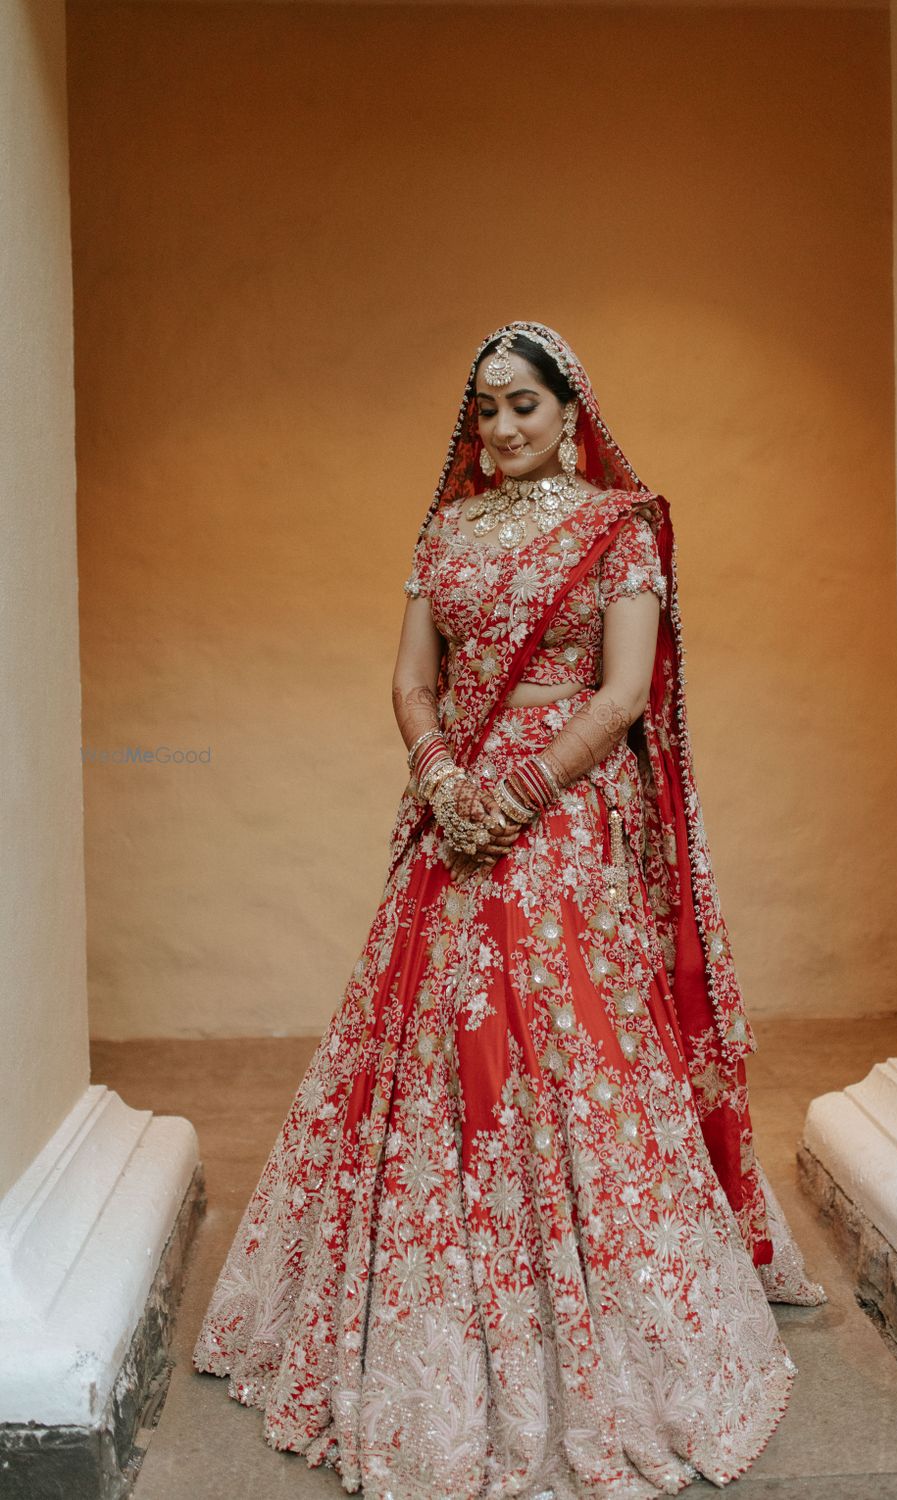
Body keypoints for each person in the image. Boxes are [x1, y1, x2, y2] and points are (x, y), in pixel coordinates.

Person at [193, 320, 827, 1498]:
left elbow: (626, 691)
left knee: (568, 1052)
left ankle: (604, 1321)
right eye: (485, 409)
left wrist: (520, 792)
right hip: (458, 809)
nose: (502, 427)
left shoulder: (617, 530)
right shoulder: (445, 530)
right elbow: (410, 677)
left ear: (572, 409)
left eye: (524, 404)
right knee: (435, 1048)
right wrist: (441, 780)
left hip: (566, 820)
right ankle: (435, 1312)